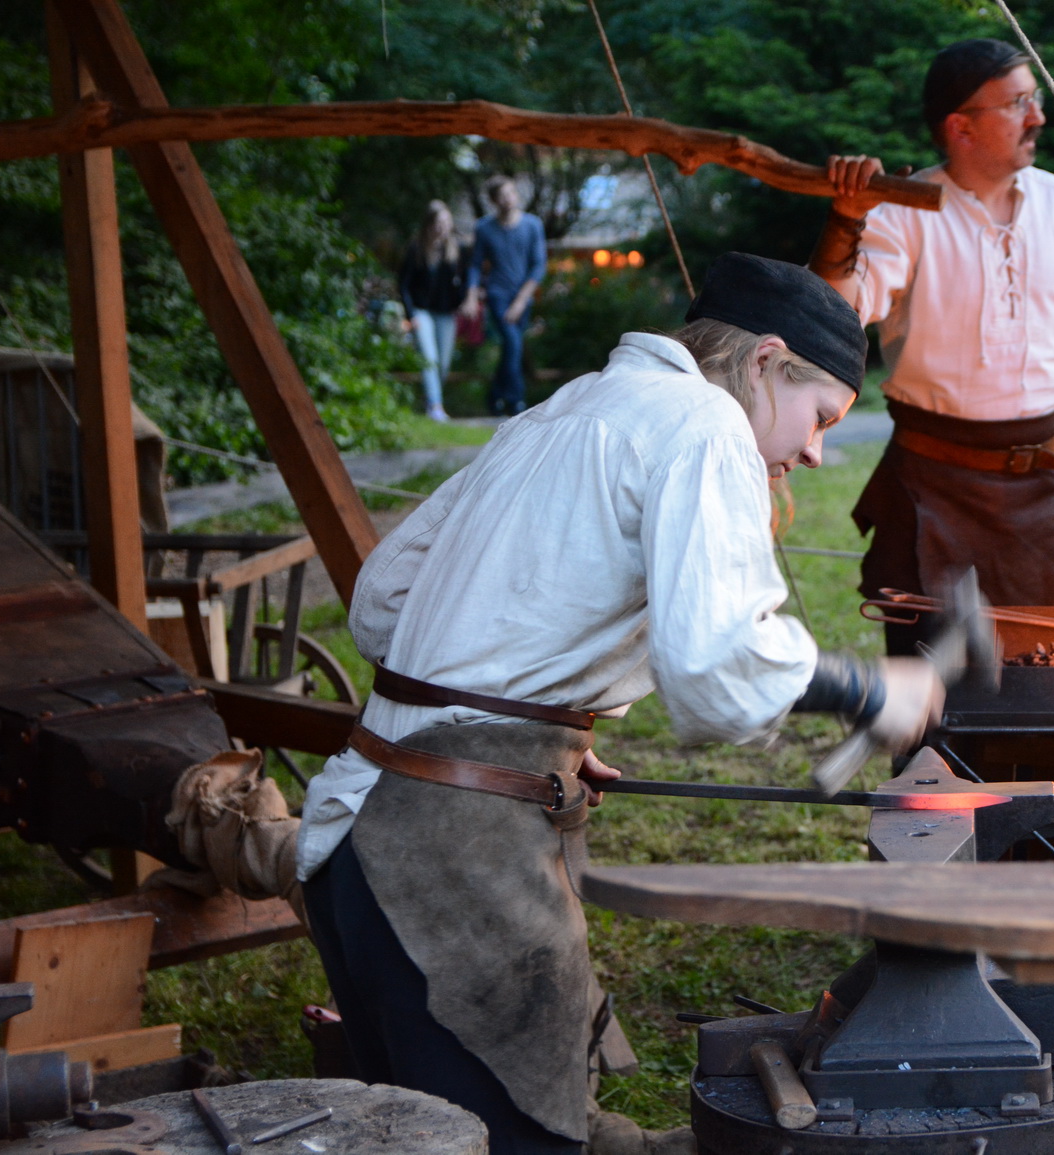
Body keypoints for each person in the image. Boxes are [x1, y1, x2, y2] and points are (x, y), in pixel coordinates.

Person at [295, 253, 946, 1155]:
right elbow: (719, 664)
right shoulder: (705, 423)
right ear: (765, 362)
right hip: (447, 867)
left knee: (413, 1136)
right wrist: (868, 687)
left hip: (355, 841)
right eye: (821, 416)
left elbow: (383, 600)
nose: (813, 451)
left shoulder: (559, 409)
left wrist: (537, 724)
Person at [813, 38, 1054, 652]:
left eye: (1035, 99)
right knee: (937, 696)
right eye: (1018, 103)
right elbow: (836, 308)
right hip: (936, 494)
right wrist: (846, 219)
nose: (1037, 116)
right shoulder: (902, 212)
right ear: (960, 127)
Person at [466, 175, 547, 415]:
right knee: (513, 342)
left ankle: (494, 397)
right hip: (498, 294)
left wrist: (521, 301)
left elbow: (538, 265)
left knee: (513, 347)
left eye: (511, 193)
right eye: (502, 196)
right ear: (494, 201)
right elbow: (475, 265)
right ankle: (516, 401)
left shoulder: (532, 225)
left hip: (523, 296)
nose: (508, 199)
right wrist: (471, 295)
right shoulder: (484, 228)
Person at [399, 200, 470, 422]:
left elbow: (466, 280)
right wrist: (411, 315)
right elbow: (404, 284)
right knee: (429, 357)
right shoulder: (416, 249)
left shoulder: (457, 249)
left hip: (446, 313)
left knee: (443, 363)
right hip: (421, 311)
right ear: (429, 224)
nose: (442, 227)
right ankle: (436, 406)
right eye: (438, 222)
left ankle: (429, 398)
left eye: (446, 222)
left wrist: (463, 301)